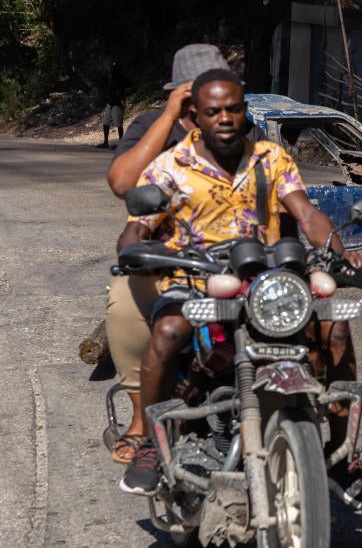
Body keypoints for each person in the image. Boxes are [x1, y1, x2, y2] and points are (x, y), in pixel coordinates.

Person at [116, 68, 362, 510]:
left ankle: (341, 460)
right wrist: (134, 249)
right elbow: (136, 226)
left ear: (245, 112)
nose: (225, 118)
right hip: (194, 279)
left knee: (334, 327)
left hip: (266, 280)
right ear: (196, 116)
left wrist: (339, 250)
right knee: (167, 332)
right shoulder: (169, 166)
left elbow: (306, 212)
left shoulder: (271, 159)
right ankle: (149, 441)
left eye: (234, 108)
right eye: (213, 111)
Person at [103, 44, 235, 466]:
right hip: (163, 255)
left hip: (231, 254)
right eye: (200, 92)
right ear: (180, 93)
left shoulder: (238, 127)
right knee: (125, 305)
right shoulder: (150, 126)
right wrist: (168, 115)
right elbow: (123, 182)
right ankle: (143, 420)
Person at [98, 61, 129, 149]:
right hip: (110, 103)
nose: (112, 70)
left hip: (118, 104)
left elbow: (131, 86)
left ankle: (121, 144)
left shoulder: (122, 79)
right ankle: (106, 142)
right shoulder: (112, 78)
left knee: (118, 124)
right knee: (106, 122)